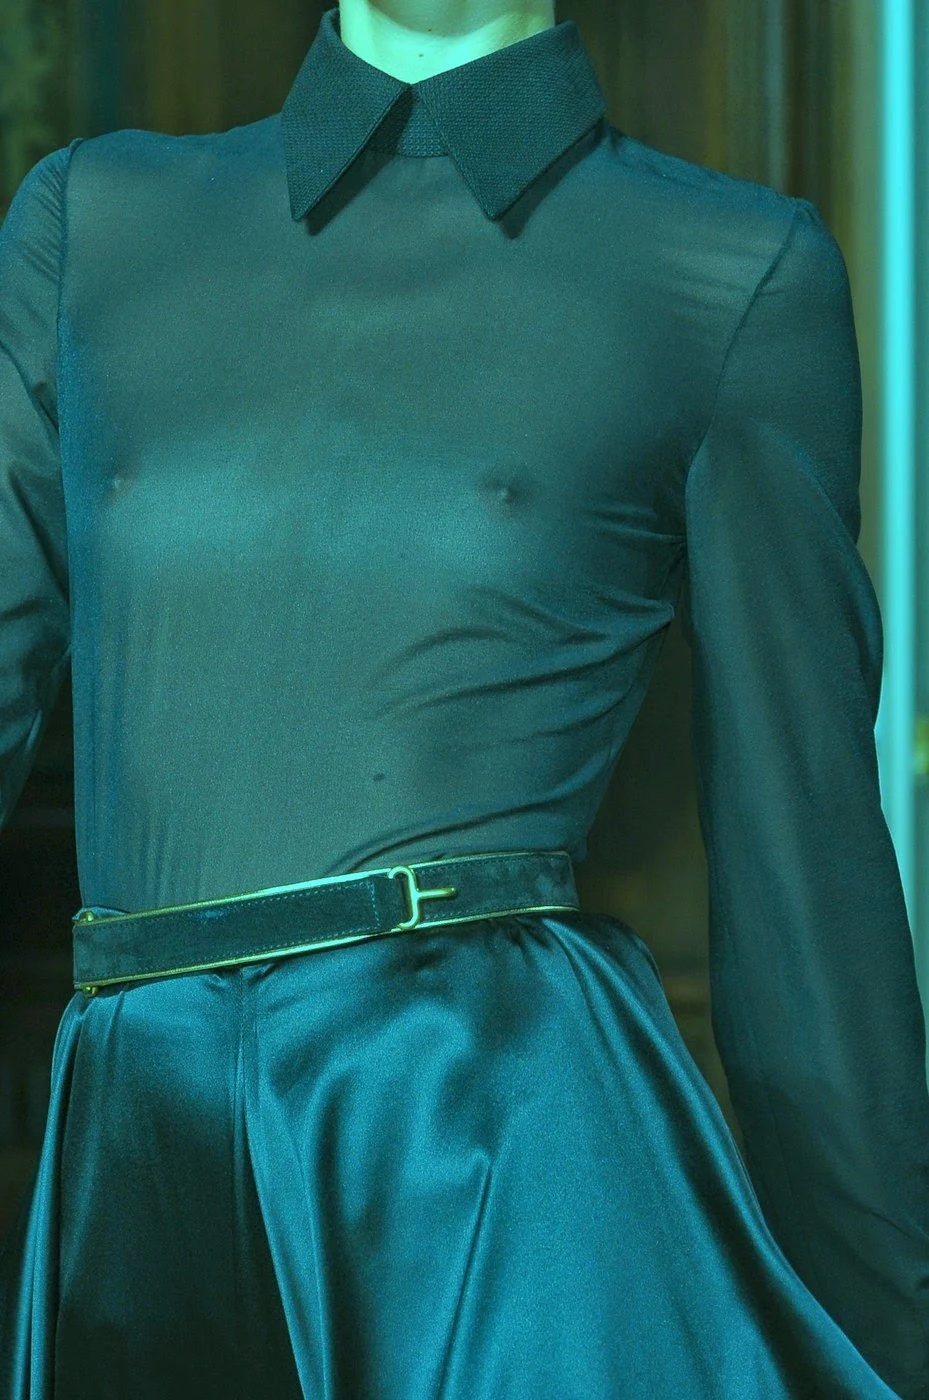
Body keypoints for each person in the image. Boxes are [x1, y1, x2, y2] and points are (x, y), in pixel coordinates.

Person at [0, 1, 927, 1395]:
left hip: (493, 1164)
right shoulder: (94, 224)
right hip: (139, 1173)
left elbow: (806, 875)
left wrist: (892, 1339)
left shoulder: (728, 269)